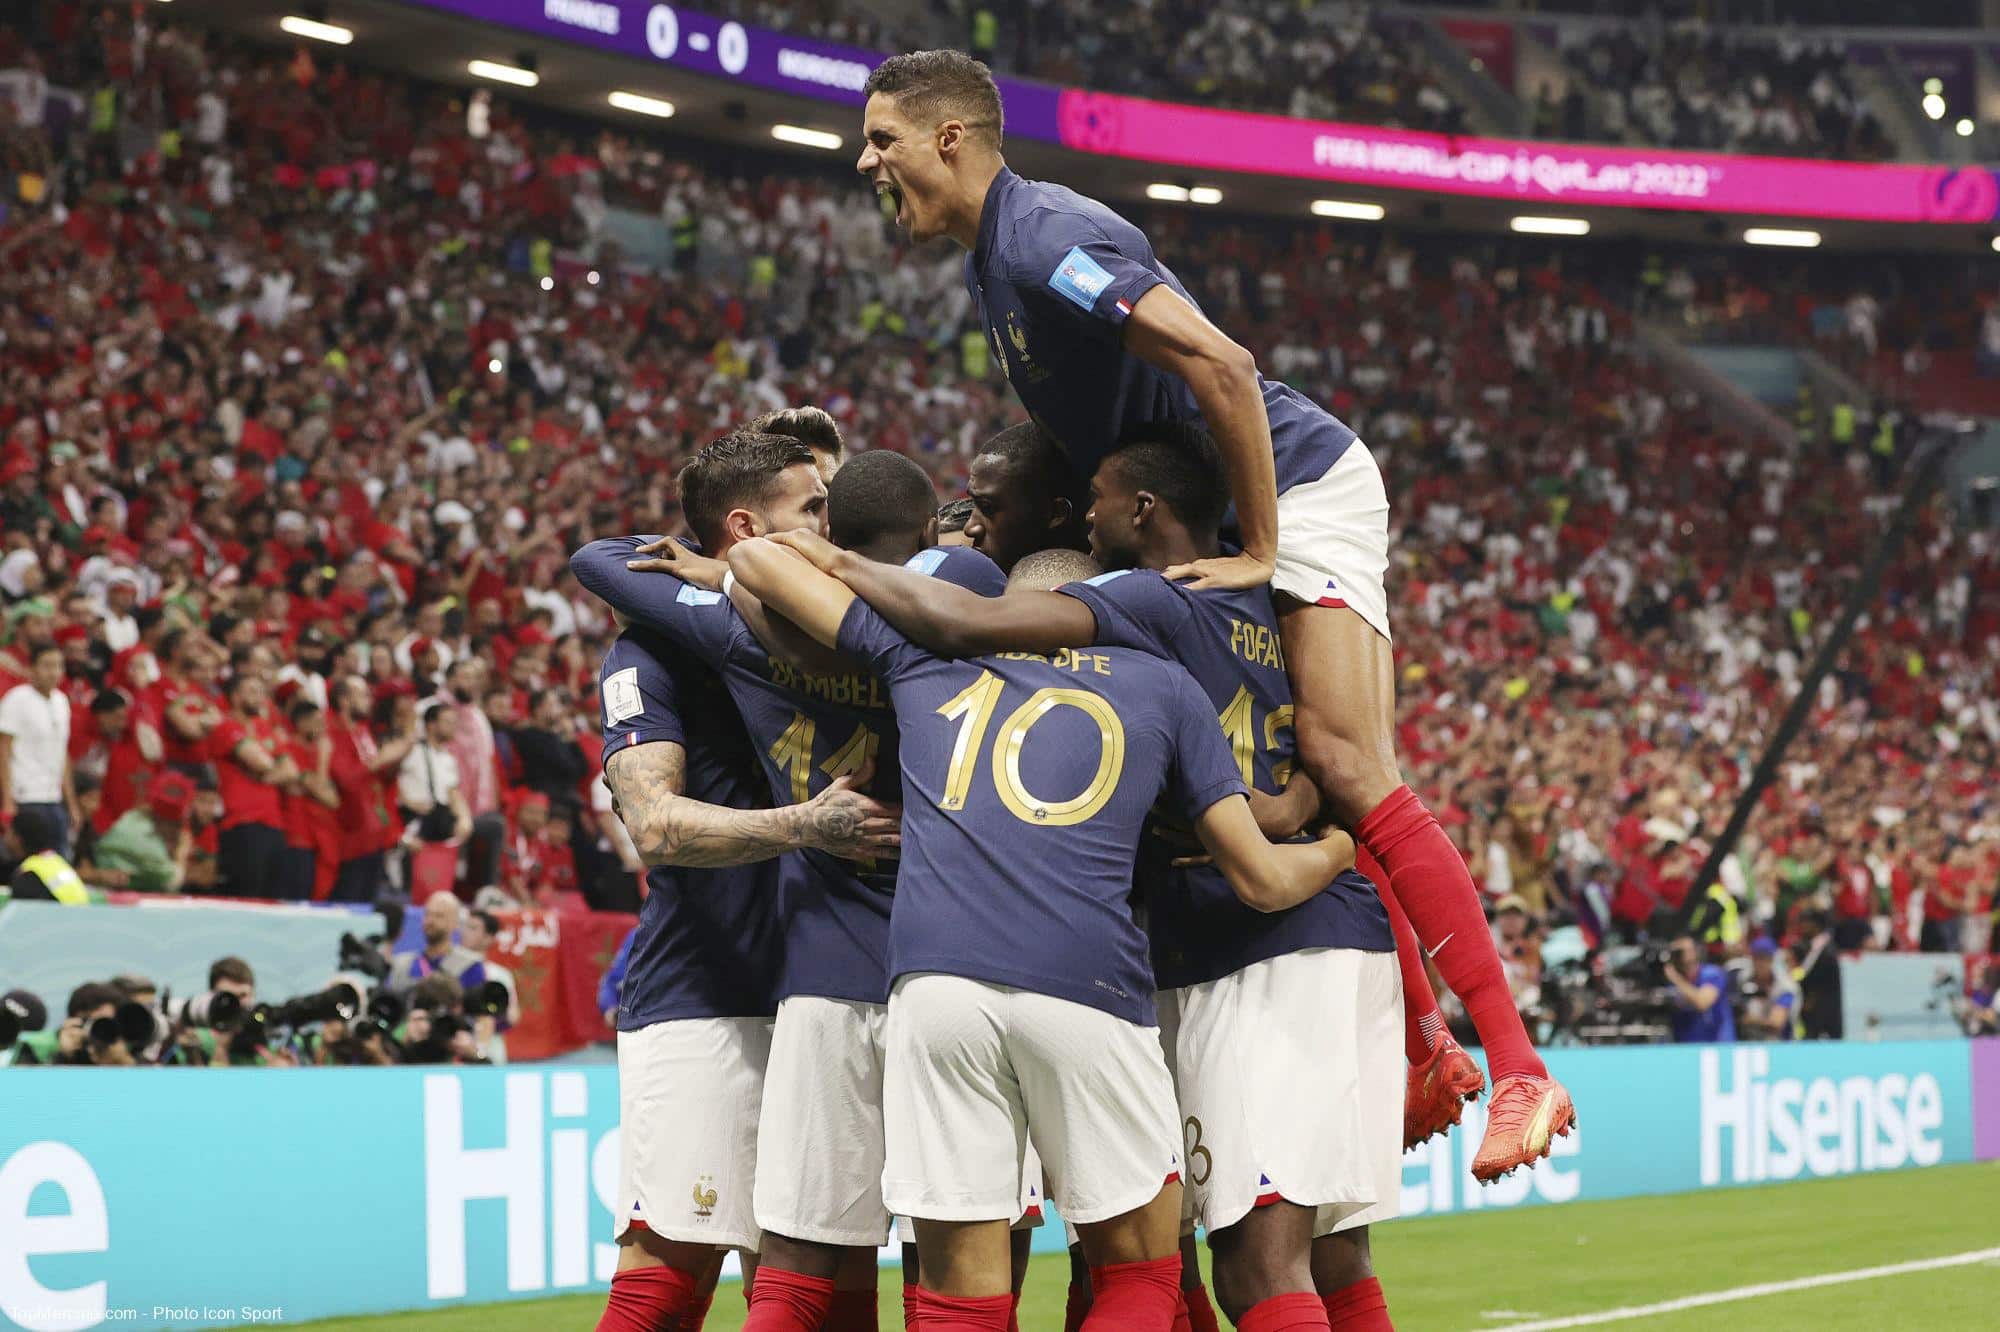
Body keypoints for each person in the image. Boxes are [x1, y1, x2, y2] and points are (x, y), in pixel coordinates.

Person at [858, 50, 1571, 1176]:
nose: (867, 162)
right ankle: (1429, 1044)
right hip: (1227, 506)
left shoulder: (1044, 238)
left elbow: (1223, 366)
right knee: (1306, 765)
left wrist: (1261, 546)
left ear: (949, 138)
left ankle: (1519, 1064)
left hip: (1297, 482)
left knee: (1345, 755)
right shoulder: (995, 264)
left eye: (882, 139)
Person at [775, 428, 1413, 1329]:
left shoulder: (926, 666)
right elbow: (1263, 865)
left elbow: (768, 580)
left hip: (931, 980)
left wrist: (809, 545)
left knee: (957, 1281)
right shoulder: (1159, 685)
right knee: (1145, 1270)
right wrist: (1344, 839)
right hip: (1095, 978)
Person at [574, 434, 1012, 1332]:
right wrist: (803, 825)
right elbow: (653, 826)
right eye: (815, 505)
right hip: (717, 986)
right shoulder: (661, 646)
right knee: (683, 1256)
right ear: (745, 525)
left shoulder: (827, 619)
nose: (833, 519)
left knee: (861, 1258)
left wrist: (737, 575)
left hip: (851, 964)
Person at [209, 671, 300, 897]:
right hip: (242, 822)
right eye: (252, 691)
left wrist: (267, 774)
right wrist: (269, 768)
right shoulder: (226, 725)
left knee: (272, 897)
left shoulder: (265, 727)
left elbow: (292, 771)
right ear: (236, 696)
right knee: (247, 895)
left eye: (261, 692)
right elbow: (261, 761)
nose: (259, 697)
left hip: (274, 823)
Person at [0, 641, 74, 856]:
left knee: (59, 860)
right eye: (47, 665)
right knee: (26, 860)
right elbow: (3, 751)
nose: (54, 672)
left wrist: (71, 802)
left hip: (53, 796)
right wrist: (7, 800)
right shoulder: (17, 700)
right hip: (26, 795)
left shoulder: (61, 702)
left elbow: (63, 753)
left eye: (59, 666)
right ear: (32, 668)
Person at [91, 770, 197, 893]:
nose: (178, 831)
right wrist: (181, 854)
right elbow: (173, 882)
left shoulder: (132, 817)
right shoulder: (147, 843)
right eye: (178, 824)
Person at [399, 701, 473, 849]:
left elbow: (453, 792)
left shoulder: (448, 758)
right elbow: (391, 782)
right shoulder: (412, 751)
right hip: (412, 819)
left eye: (455, 722)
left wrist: (465, 818)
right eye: (448, 722)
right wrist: (409, 802)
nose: (454, 727)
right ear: (431, 725)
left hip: (439, 819)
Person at [385, 893, 486, 995]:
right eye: (427, 914)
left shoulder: (470, 965)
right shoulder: (403, 964)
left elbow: (474, 1008)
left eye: (439, 916)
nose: (430, 921)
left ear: (455, 923)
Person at [6, 806, 89, 903]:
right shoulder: (58, 861)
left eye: (9, 833)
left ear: (17, 839)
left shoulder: (28, 875)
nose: (6, 838)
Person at [1665, 935, 1736, 1044]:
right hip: (1685, 1048)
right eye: (1677, 952)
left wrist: (1676, 979)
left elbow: (1702, 1002)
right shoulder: (1671, 983)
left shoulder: (1712, 974)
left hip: (1717, 1046)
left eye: (1686, 950)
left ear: (1695, 951)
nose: (1683, 955)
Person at [1735, 938, 1798, 1041]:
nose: (1761, 963)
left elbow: (1776, 1024)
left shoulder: (1785, 986)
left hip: (1780, 1044)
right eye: (1757, 957)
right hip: (1748, 1042)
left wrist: (1750, 1020)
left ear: (1773, 959)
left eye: (1765, 958)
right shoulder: (1744, 979)